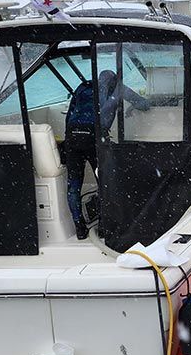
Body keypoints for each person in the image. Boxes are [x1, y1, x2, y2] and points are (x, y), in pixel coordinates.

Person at [64, 69, 151, 239]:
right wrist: (134, 105)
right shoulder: (118, 89)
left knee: (74, 184)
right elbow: (144, 104)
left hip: (72, 136)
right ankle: (104, 226)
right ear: (115, 80)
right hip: (94, 137)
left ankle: (79, 227)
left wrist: (68, 139)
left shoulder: (84, 86)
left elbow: (70, 114)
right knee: (104, 182)